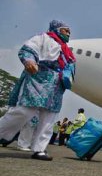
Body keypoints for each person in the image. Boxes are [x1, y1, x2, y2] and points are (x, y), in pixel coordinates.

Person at [0, 19, 75, 161]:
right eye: (66, 30)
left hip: (56, 87)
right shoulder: (42, 38)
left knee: (49, 118)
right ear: (57, 29)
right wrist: (29, 60)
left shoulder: (67, 50)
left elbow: (69, 66)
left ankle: (39, 149)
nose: (69, 33)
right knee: (23, 111)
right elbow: (27, 49)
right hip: (39, 79)